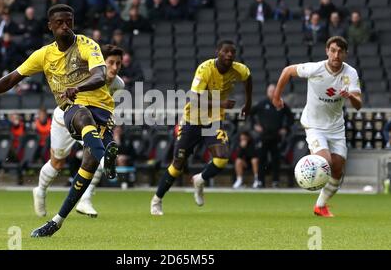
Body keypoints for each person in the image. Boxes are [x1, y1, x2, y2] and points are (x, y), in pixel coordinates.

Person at [0, 4, 119, 237]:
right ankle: (107, 159)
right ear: (50, 26)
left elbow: (99, 75)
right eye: (59, 22)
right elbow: (11, 79)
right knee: (80, 117)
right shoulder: (43, 55)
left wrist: (78, 86)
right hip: (73, 108)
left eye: (69, 21)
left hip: (103, 110)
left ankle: (56, 222)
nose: (65, 26)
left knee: (87, 168)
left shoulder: (88, 45)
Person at [150, 40, 253, 216]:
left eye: (232, 52)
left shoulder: (239, 69)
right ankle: (157, 200)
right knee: (177, 165)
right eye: (225, 51)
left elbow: (248, 78)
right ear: (218, 53)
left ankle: (200, 179)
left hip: (212, 121)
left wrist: (248, 103)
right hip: (192, 120)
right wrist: (222, 103)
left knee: (222, 158)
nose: (229, 55)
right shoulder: (204, 69)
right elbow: (194, 99)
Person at [272, 36, 362, 217]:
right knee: (325, 162)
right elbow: (288, 71)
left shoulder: (350, 73)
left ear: (345, 54)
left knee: (337, 169)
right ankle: (308, 171)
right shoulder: (315, 68)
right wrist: (276, 96)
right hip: (314, 125)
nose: (336, 55)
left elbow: (358, 104)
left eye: (340, 51)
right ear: (327, 51)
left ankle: (320, 206)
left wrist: (350, 96)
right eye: (333, 50)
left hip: (336, 128)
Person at [32, 44, 125, 218]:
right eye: (111, 62)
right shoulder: (87, 74)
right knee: (57, 163)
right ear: (101, 62)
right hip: (65, 116)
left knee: (97, 152)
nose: (114, 67)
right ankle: (40, 190)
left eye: (118, 64)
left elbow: (107, 107)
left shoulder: (119, 85)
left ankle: (86, 199)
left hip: (89, 120)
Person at [250, 84, 294, 188]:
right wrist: (254, 126)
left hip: (276, 137)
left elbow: (291, 117)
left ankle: (275, 181)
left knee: (276, 160)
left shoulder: (281, 104)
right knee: (261, 159)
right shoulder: (262, 104)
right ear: (267, 92)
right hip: (264, 136)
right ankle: (260, 181)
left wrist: (285, 128)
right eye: (270, 91)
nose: (272, 93)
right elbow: (250, 114)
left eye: (274, 91)